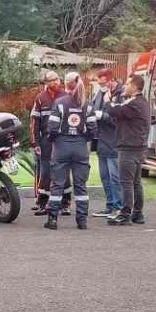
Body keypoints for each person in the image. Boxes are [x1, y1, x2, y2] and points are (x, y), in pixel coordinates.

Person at [45, 71, 97, 230]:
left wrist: (55, 140)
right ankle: (82, 220)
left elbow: (52, 128)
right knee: (80, 185)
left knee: (57, 184)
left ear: (66, 84)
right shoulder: (87, 104)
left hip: (61, 146)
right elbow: (93, 130)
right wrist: (82, 139)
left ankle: (52, 219)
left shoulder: (60, 103)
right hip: (80, 147)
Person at [105, 75, 151, 226]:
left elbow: (115, 111)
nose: (124, 86)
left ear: (135, 86)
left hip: (129, 148)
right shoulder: (142, 103)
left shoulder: (134, 104)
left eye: (127, 83)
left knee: (126, 182)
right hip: (138, 147)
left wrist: (107, 101)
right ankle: (137, 213)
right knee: (136, 182)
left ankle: (125, 213)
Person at [29, 70, 70, 216]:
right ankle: (43, 203)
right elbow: (34, 122)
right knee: (45, 173)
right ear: (46, 83)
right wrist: (35, 143)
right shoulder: (40, 98)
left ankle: (65, 204)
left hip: (63, 140)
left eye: (57, 79)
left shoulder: (66, 96)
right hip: (46, 142)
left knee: (64, 172)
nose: (55, 82)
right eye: (52, 80)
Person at [90, 70, 124, 219]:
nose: (101, 85)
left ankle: (118, 207)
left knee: (115, 178)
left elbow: (119, 119)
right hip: (102, 141)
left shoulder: (121, 95)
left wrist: (102, 116)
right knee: (105, 177)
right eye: (99, 83)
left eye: (103, 83)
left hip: (114, 142)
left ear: (112, 80)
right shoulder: (100, 94)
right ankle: (110, 205)